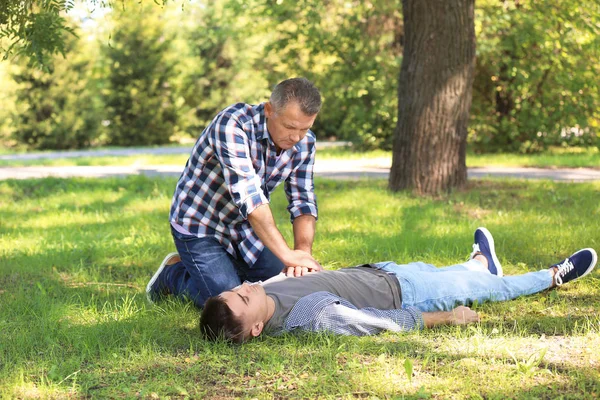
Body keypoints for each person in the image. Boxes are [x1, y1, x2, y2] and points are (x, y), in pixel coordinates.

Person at [197, 227, 597, 343]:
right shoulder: (309, 318)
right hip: (407, 294)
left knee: (455, 274)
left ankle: (479, 264)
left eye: (236, 290)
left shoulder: (265, 292)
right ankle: (552, 276)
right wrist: (448, 318)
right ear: (256, 328)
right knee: (497, 289)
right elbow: (381, 322)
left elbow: (276, 280)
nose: (245, 288)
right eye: (241, 299)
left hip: (383, 271)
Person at [149, 78, 323, 309]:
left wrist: (302, 253)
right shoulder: (233, 123)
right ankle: (173, 276)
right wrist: (286, 254)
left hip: (244, 229)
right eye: (290, 127)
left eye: (305, 128)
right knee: (232, 305)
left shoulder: (305, 143)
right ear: (269, 110)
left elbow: (303, 200)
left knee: (281, 289)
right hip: (200, 224)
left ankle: (224, 268)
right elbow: (249, 196)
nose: (296, 138)